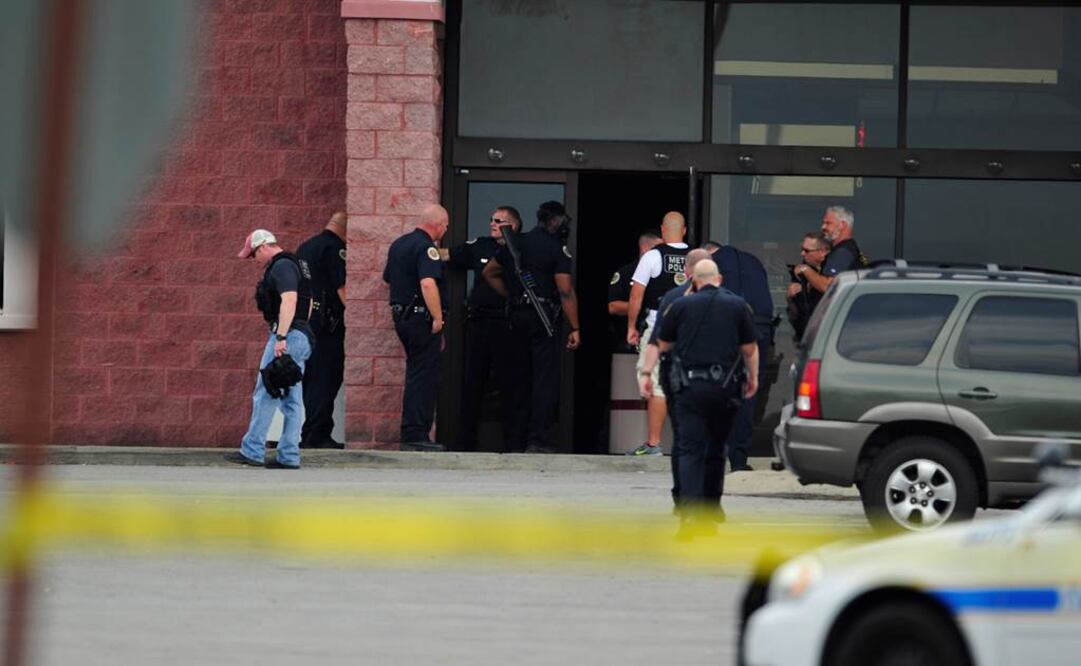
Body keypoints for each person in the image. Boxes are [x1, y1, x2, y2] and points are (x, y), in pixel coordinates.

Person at [654, 259, 758, 531]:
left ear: (694, 280)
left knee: (690, 450)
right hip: (725, 388)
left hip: (689, 388)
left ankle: (689, 514)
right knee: (716, 449)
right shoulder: (737, 305)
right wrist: (753, 377)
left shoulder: (680, 305)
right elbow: (749, 349)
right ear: (719, 279)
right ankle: (711, 509)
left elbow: (663, 345)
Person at [483, 200, 581, 453]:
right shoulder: (556, 249)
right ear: (552, 221)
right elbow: (565, 291)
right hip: (543, 318)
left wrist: (511, 296)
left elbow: (489, 273)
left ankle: (514, 440)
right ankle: (537, 440)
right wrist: (575, 327)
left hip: (516, 316)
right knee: (543, 381)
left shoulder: (517, 243)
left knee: (517, 379)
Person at [225, 229, 315, 469]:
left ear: (263, 246)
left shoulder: (282, 266)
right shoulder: (297, 264)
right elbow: (307, 307)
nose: (255, 261)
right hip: (302, 335)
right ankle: (289, 456)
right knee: (292, 398)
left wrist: (282, 336)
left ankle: (252, 450)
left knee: (266, 389)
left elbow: (290, 300)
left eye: (254, 255)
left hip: (288, 335)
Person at [637, 248, 712, 511]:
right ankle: (709, 502)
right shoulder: (731, 300)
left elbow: (658, 341)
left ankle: (683, 496)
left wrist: (647, 372)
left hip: (681, 378)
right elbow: (747, 347)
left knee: (683, 441)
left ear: (688, 272)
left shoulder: (673, 298)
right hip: (715, 381)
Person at [444, 205, 523, 451]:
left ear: (513, 226)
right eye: (491, 219)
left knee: (509, 385)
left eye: (499, 220)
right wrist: (420, 249)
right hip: (479, 323)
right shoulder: (480, 245)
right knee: (472, 383)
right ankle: (465, 443)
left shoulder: (520, 248)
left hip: (507, 323)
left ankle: (514, 443)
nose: (492, 223)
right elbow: (447, 255)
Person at [383, 204, 450, 452]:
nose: (445, 229)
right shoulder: (426, 248)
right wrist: (438, 319)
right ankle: (415, 433)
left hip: (403, 317)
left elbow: (388, 278)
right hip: (421, 318)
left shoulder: (399, 244)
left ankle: (414, 432)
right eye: (445, 225)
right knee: (423, 377)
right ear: (438, 223)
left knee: (417, 373)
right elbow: (428, 284)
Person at [703, 239, 774, 472]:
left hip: (728, 335)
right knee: (747, 395)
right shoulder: (753, 262)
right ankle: (739, 460)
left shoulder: (712, 264)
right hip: (758, 335)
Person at [624, 212, 690, 456]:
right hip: (689, 331)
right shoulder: (696, 258)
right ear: (684, 231)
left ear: (663, 230)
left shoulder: (653, 256)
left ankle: (653, 443)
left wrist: (631, 327)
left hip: (658, 330)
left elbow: (636, 295)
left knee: (656, 386)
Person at [296, 211, 347, 450]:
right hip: (328, 326)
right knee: (326, 379)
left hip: (307, 325)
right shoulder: (335, 248)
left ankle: (311, 431)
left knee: (311, 379)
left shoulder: (306, 247)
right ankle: (316, 434)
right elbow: (342, 288)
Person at [795, 205, 869, 295]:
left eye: (828, 223)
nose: (823, 227)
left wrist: (805, 270)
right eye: (823, 223)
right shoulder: (845, 249)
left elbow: (828, 286)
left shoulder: (843, 252)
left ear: (843, 225)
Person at [607, 231, 662, 351]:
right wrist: (639, 307)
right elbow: (612, 306)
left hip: (656, 339)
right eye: (659, 248)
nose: (662, 253)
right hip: (628, 342)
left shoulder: (662, 273)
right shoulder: (625, 273)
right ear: (645, 249)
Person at [786, 231, 831, 340]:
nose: (802, 254)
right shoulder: (799, 273)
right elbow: (794, 314)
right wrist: (790, 298)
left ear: (823, 252)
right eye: (802, 249)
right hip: (805, 337)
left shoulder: (833, 271)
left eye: (807, 251)